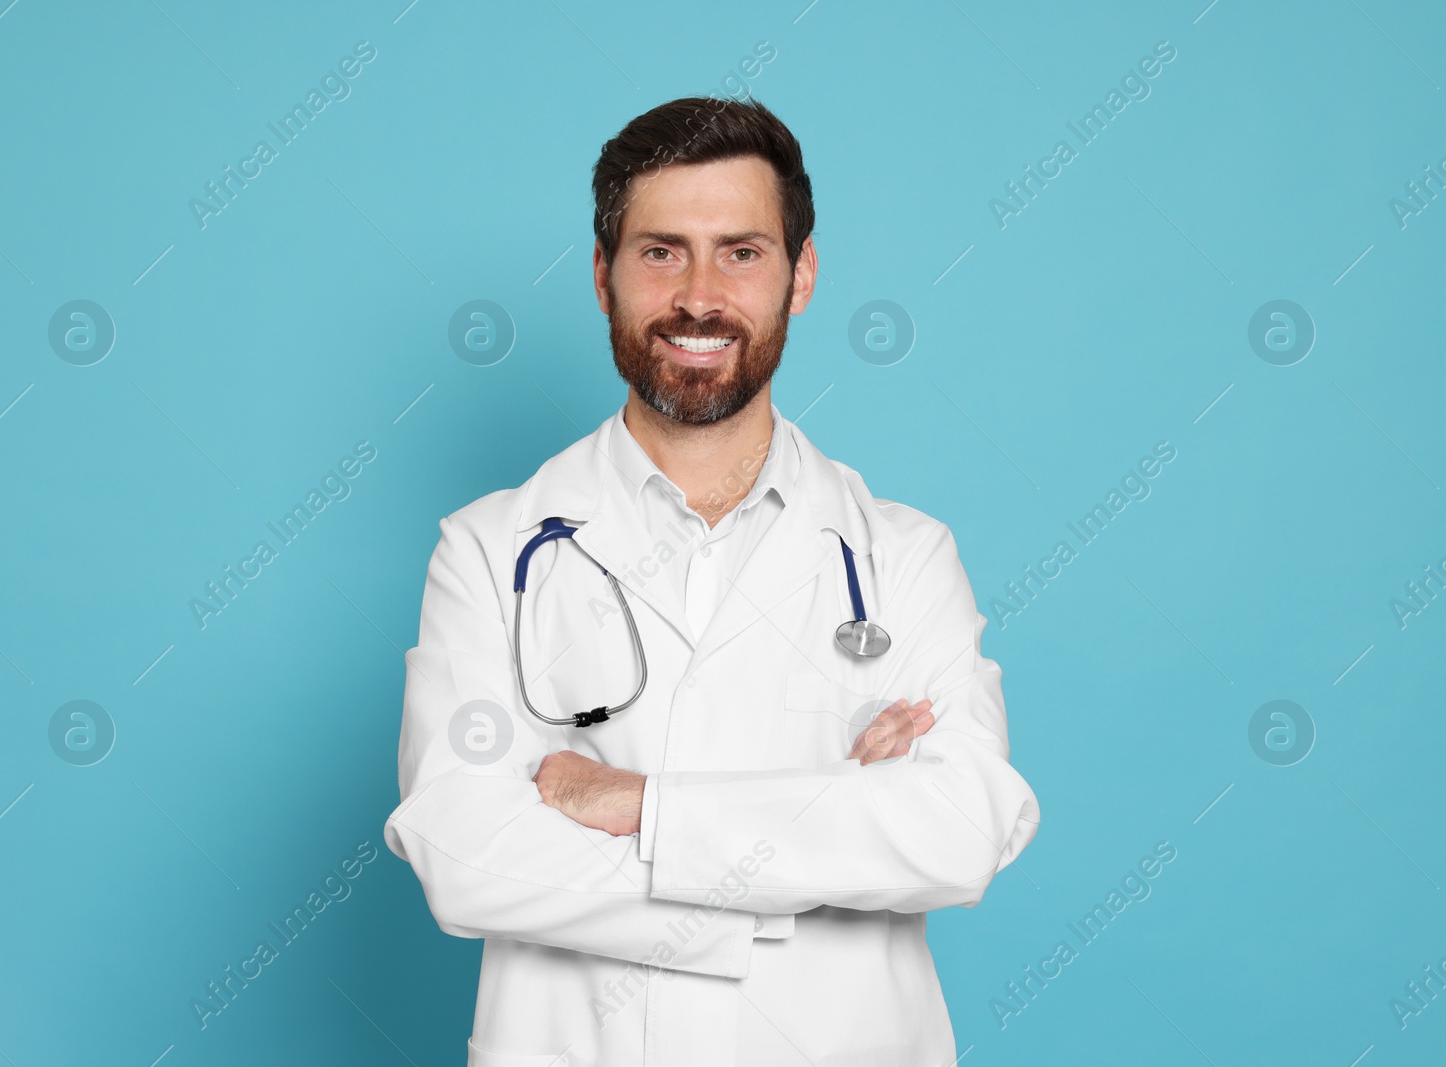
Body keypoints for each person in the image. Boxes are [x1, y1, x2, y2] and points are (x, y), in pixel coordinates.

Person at [384, 96, 1040, 1067]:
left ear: (800, 274)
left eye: (740, 251)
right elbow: (461, 851)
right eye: (660, 251)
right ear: (603, 276)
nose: (699, 294)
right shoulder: (491, 549)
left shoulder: (900, 554)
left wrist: (643, 804)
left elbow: (960, 828)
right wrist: (812, 831)